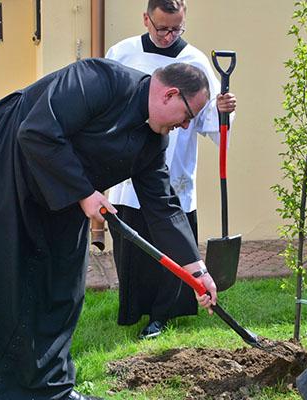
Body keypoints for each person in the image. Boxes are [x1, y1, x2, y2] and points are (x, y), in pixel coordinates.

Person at [0, 60, 219, 400]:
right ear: (170, 94)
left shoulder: (153, 143)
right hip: (4, 161)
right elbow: (37, 130)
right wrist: (83, 192)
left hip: (61, 185)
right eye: (187, 115)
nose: (185, 126)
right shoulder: (99, 79)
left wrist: (197, 269)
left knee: (62, 284)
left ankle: (50, 388)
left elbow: (163, 207)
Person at [105, 0, 237, 340]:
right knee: (133, 241)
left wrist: (223, 111)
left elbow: (209, 123)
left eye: (176, 28)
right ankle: (133, 307)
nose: (168, 36)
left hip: (173, 168)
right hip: (128, 164)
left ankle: (163, 313)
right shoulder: (122, 53)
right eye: (161, 28)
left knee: (170, 235)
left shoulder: (195, 62)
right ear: (146, 19)